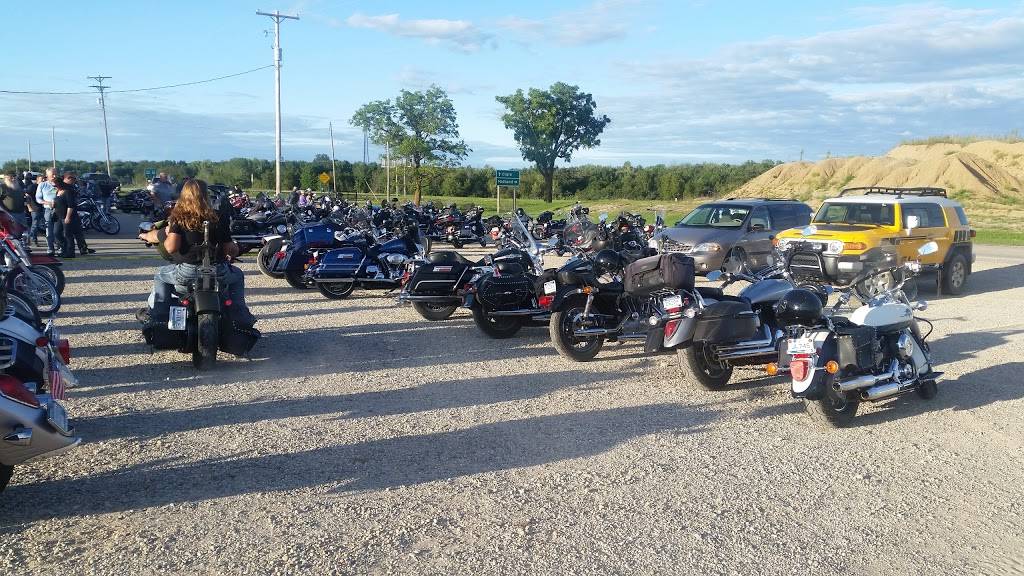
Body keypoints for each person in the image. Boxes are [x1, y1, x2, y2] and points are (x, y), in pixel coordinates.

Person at [137, 179, 252, 324]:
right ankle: (240, 315)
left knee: (160, 275)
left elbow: (171, 247)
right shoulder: (217, 216)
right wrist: (236, 249)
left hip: (187, 272)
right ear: (206, 195)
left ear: (184, 195)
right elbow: (229, 249)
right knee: (238, 275)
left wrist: (166, 236)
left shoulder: (179, 217)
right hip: (217, 271)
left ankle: (158, 316)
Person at [54, 172, 94, 257]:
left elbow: (71, 204)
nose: (74, 180)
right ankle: (66, 249)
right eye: (73, 178)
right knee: (58, 233)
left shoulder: (69, 189)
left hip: (69, 215)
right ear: (67, 178)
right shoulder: (59, 189)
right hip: (59, 215)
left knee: (72, 233)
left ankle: (75, 251)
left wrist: (68, 217)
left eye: (74, 179)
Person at [35, 167, 60, 256]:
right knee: (49, 230)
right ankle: (50, 248)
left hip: (60, 209)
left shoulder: (60, 184)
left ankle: (60, 247)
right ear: (47, 175)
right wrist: (48, 203)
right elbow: (38, 198)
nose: (54, 176)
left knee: (58, 230)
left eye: (55, 174)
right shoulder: (42, 185)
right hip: (48, 210)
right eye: (52, 174)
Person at [25, 174, 43, 246]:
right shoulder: (32, 187)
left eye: (44, 179)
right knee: (35, 225)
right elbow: (27, 196)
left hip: (43, 208)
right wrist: (29, 206)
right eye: (41, 179)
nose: (43, 181)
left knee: (40, 225)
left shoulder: (44, 186)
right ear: (37, 180)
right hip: (35, 208)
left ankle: (33, 239)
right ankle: (30, 239)